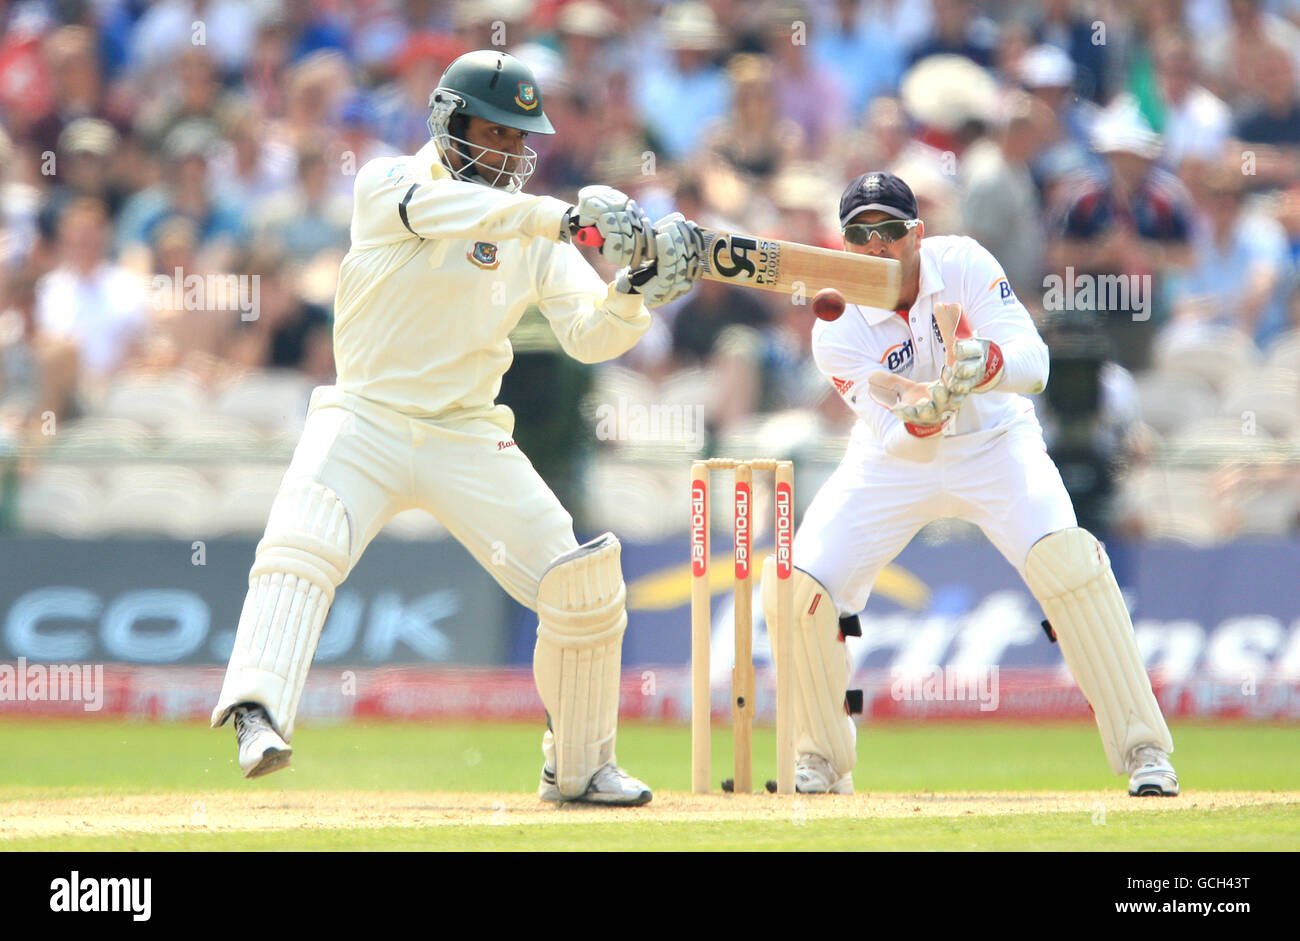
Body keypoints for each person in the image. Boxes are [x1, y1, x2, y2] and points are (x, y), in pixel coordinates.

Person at [209, 50, 704, 806]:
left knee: (582, 583)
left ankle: (579, 767)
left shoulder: (534, 227)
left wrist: (634, 292)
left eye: (518, 139)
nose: (508, 150)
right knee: (301, 543)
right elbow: (457, 215)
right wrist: (563, 217)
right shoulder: (388, 182)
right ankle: (257, 710)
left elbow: (589, 336)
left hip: (466, 432)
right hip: (366, 417)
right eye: (495, 132)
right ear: (447, 121)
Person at [759, 172, 1178, 798]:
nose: (877, 246)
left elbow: (1033, 365)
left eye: (891, 231)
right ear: (842, 244)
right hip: (890, 463)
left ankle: (1145, 750)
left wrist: (984, 363)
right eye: (860, 234)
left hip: (994, 444)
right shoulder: (835, 324)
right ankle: (821, 757)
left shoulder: (962, 262)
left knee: (1070, 562)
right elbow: (893, 435)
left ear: (917, 235)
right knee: (800, 587)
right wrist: (923, 419)